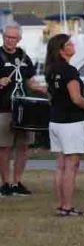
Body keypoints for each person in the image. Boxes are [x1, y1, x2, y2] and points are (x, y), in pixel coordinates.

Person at [45, 34, 84, 216]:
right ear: (61, 50)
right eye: (69, 44)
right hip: (71, 122)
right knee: (71, 165)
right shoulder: (69, 71)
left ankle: (62, 205)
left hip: (56, 120)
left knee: (61, 165)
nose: (73, 45)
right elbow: (76, 98)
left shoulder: (51, 70)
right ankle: (68, 206)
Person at [0, 21, 47, 197]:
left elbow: (30, 81)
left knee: (23, 146)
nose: (10, 40)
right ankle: (5, 183)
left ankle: (17, 181)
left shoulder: (24, 57)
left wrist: (41, 88)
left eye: (13, 38)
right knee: (4, 147)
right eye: (7, 37)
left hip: (24, 109)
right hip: (3, 108)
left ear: (19, 38)